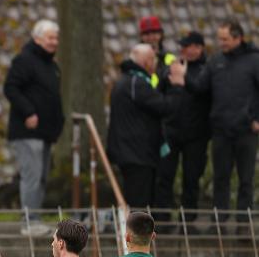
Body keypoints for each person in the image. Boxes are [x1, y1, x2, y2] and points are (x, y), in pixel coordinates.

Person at [186, 19, 259, 226]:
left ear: (238, 38)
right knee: (221, 178)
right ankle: (219, 221)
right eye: (219, 39)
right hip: (221, 131)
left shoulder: (254, 60)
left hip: (246, 130)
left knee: (246, 180)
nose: (221, 43)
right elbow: (201, 88)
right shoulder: (215, 61)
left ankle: (244, 224)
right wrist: (184, 78)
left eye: (225, 39)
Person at [3, 19, 65, 236]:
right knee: (32, 175)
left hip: (46, 133)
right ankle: (29, 221)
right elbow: (11, 88)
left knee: (42, 177)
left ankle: (35, 217)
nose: (54, 42)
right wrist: (28, 112)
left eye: (56, 38)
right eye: (50, 37)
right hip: (27, 132)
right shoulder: (24, 61)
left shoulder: (52, 65)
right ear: (37, 38)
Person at [108, 44, 185, 208]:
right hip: (137, 154)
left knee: (136, 200)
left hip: (130, 151)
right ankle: (136, 233)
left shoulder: (127, 80)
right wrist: (178, 85)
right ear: (146, 62)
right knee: (139, 202)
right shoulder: (138, 84)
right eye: (153, 59)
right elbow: (166, 107)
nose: (156, 63)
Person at [154, 31, 211, 226]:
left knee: (191, 178)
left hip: (196, 135)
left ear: (198, 48)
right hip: (171, 132)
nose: (182, 50)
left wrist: (184, 80)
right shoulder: (172, 67)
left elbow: (205, 92)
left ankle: (189, 219)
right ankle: (163, 218)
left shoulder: (207, 69)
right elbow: (158, 93)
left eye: (186, 46)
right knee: (165, 176)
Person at [138, 15, 176, 88]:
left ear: (161, 34)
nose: (151, 37)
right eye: (147, 34)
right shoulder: (136, 59)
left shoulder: (170, 58)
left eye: (154, 33)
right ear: (141, 37)